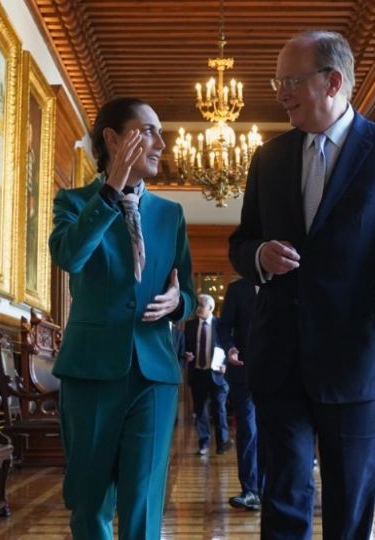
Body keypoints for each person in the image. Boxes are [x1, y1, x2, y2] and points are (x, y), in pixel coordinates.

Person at [228, 30, 375, 539]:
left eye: (291, 80)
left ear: (333, 81)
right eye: (278, 81)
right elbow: (240, 244)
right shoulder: (267, 159)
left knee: (348, 506)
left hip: (355, 363)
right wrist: (259, 257)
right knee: (284, 498)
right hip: (278, 357)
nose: (280, 92)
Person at [49, 97, 197, 540]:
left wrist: (179, 303)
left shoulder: (171, 214)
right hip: (91, 371)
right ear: (113, 139)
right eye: (148, 130)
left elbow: (186, 289)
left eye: (159, 132)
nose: (160, 143)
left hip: (154, 374)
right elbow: (70, 256)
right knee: (90, 501)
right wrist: (109, 193)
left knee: (144, 503)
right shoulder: (73, 203)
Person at [218, 277, 264, 511]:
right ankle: (251, 490)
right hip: (243, 370)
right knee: (248, 428)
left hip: (283, 372)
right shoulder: (237, 289)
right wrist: (230, 348)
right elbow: (224, 325)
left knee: (277, 430)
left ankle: (271, 488)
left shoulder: (288, 281)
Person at [183, 294, 232, 456]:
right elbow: (185, 346)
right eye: (197, 305)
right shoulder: (189, 325)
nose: (198, 309)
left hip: (217, 374)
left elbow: (230, 347)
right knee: (201, 411)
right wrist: (186, 354)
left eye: (201, 306)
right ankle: (203, 444)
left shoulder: (220, 325)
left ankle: (222, 443)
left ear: (210, 308)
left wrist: (225, 364)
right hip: (198, 374)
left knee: (220, 409)